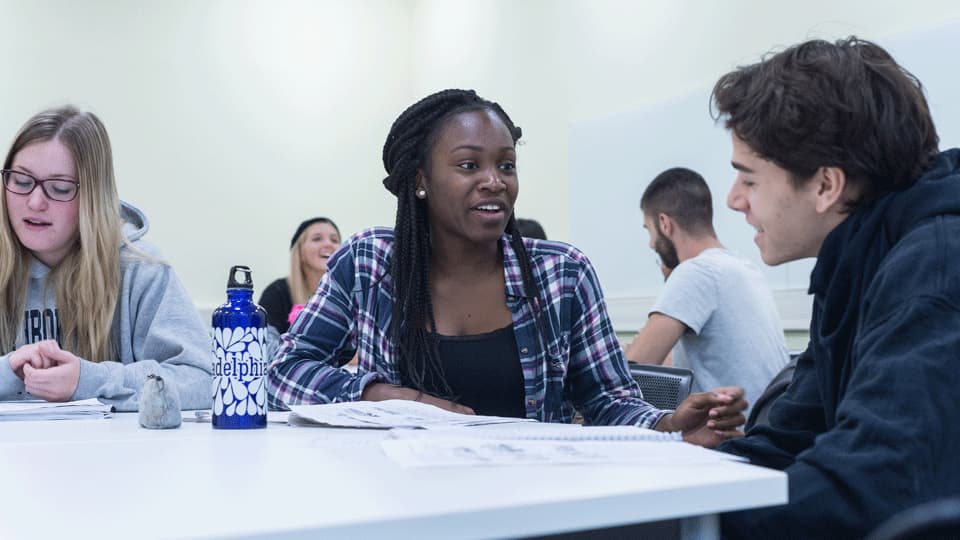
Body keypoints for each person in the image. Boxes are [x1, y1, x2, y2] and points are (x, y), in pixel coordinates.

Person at [268, 89, 746, 447]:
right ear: (420, 181)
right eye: (469, 165)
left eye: (506, 165)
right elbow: (284, 373)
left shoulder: (563, 274)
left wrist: (668, 425)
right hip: (395, 493)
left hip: (529, 498)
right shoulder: (369, 262)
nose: (494, 181)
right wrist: (378, 395)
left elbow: (608, 401)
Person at [711, 37, 960, 538]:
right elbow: (785, 442)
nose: (734, 200)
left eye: (749, 180)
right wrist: (662, 490)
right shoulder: (854, 260)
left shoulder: (933, 269)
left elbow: (871, 485)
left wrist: (692, 526)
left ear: (826, 185)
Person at [0, 105, 212, 411]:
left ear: (93, 197)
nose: (34, 202)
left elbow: (203, 380)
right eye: (21, 181)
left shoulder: (141, 270)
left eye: (59, 188)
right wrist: (7, 373)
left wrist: (91, 381)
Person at [624, 167, 789, 412]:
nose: (651, 244)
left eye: (649, 230)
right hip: (768, 423)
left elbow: (629, 374)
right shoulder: (743, 268)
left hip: (735, 431)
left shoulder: (696, 272)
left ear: (664, 224)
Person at [259, 217, 342, 334]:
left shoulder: (351, 295)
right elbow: (267, 341)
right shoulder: (277, 293)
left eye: (334, 240)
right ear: (300, 252)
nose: (329, 244)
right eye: (317, 238)